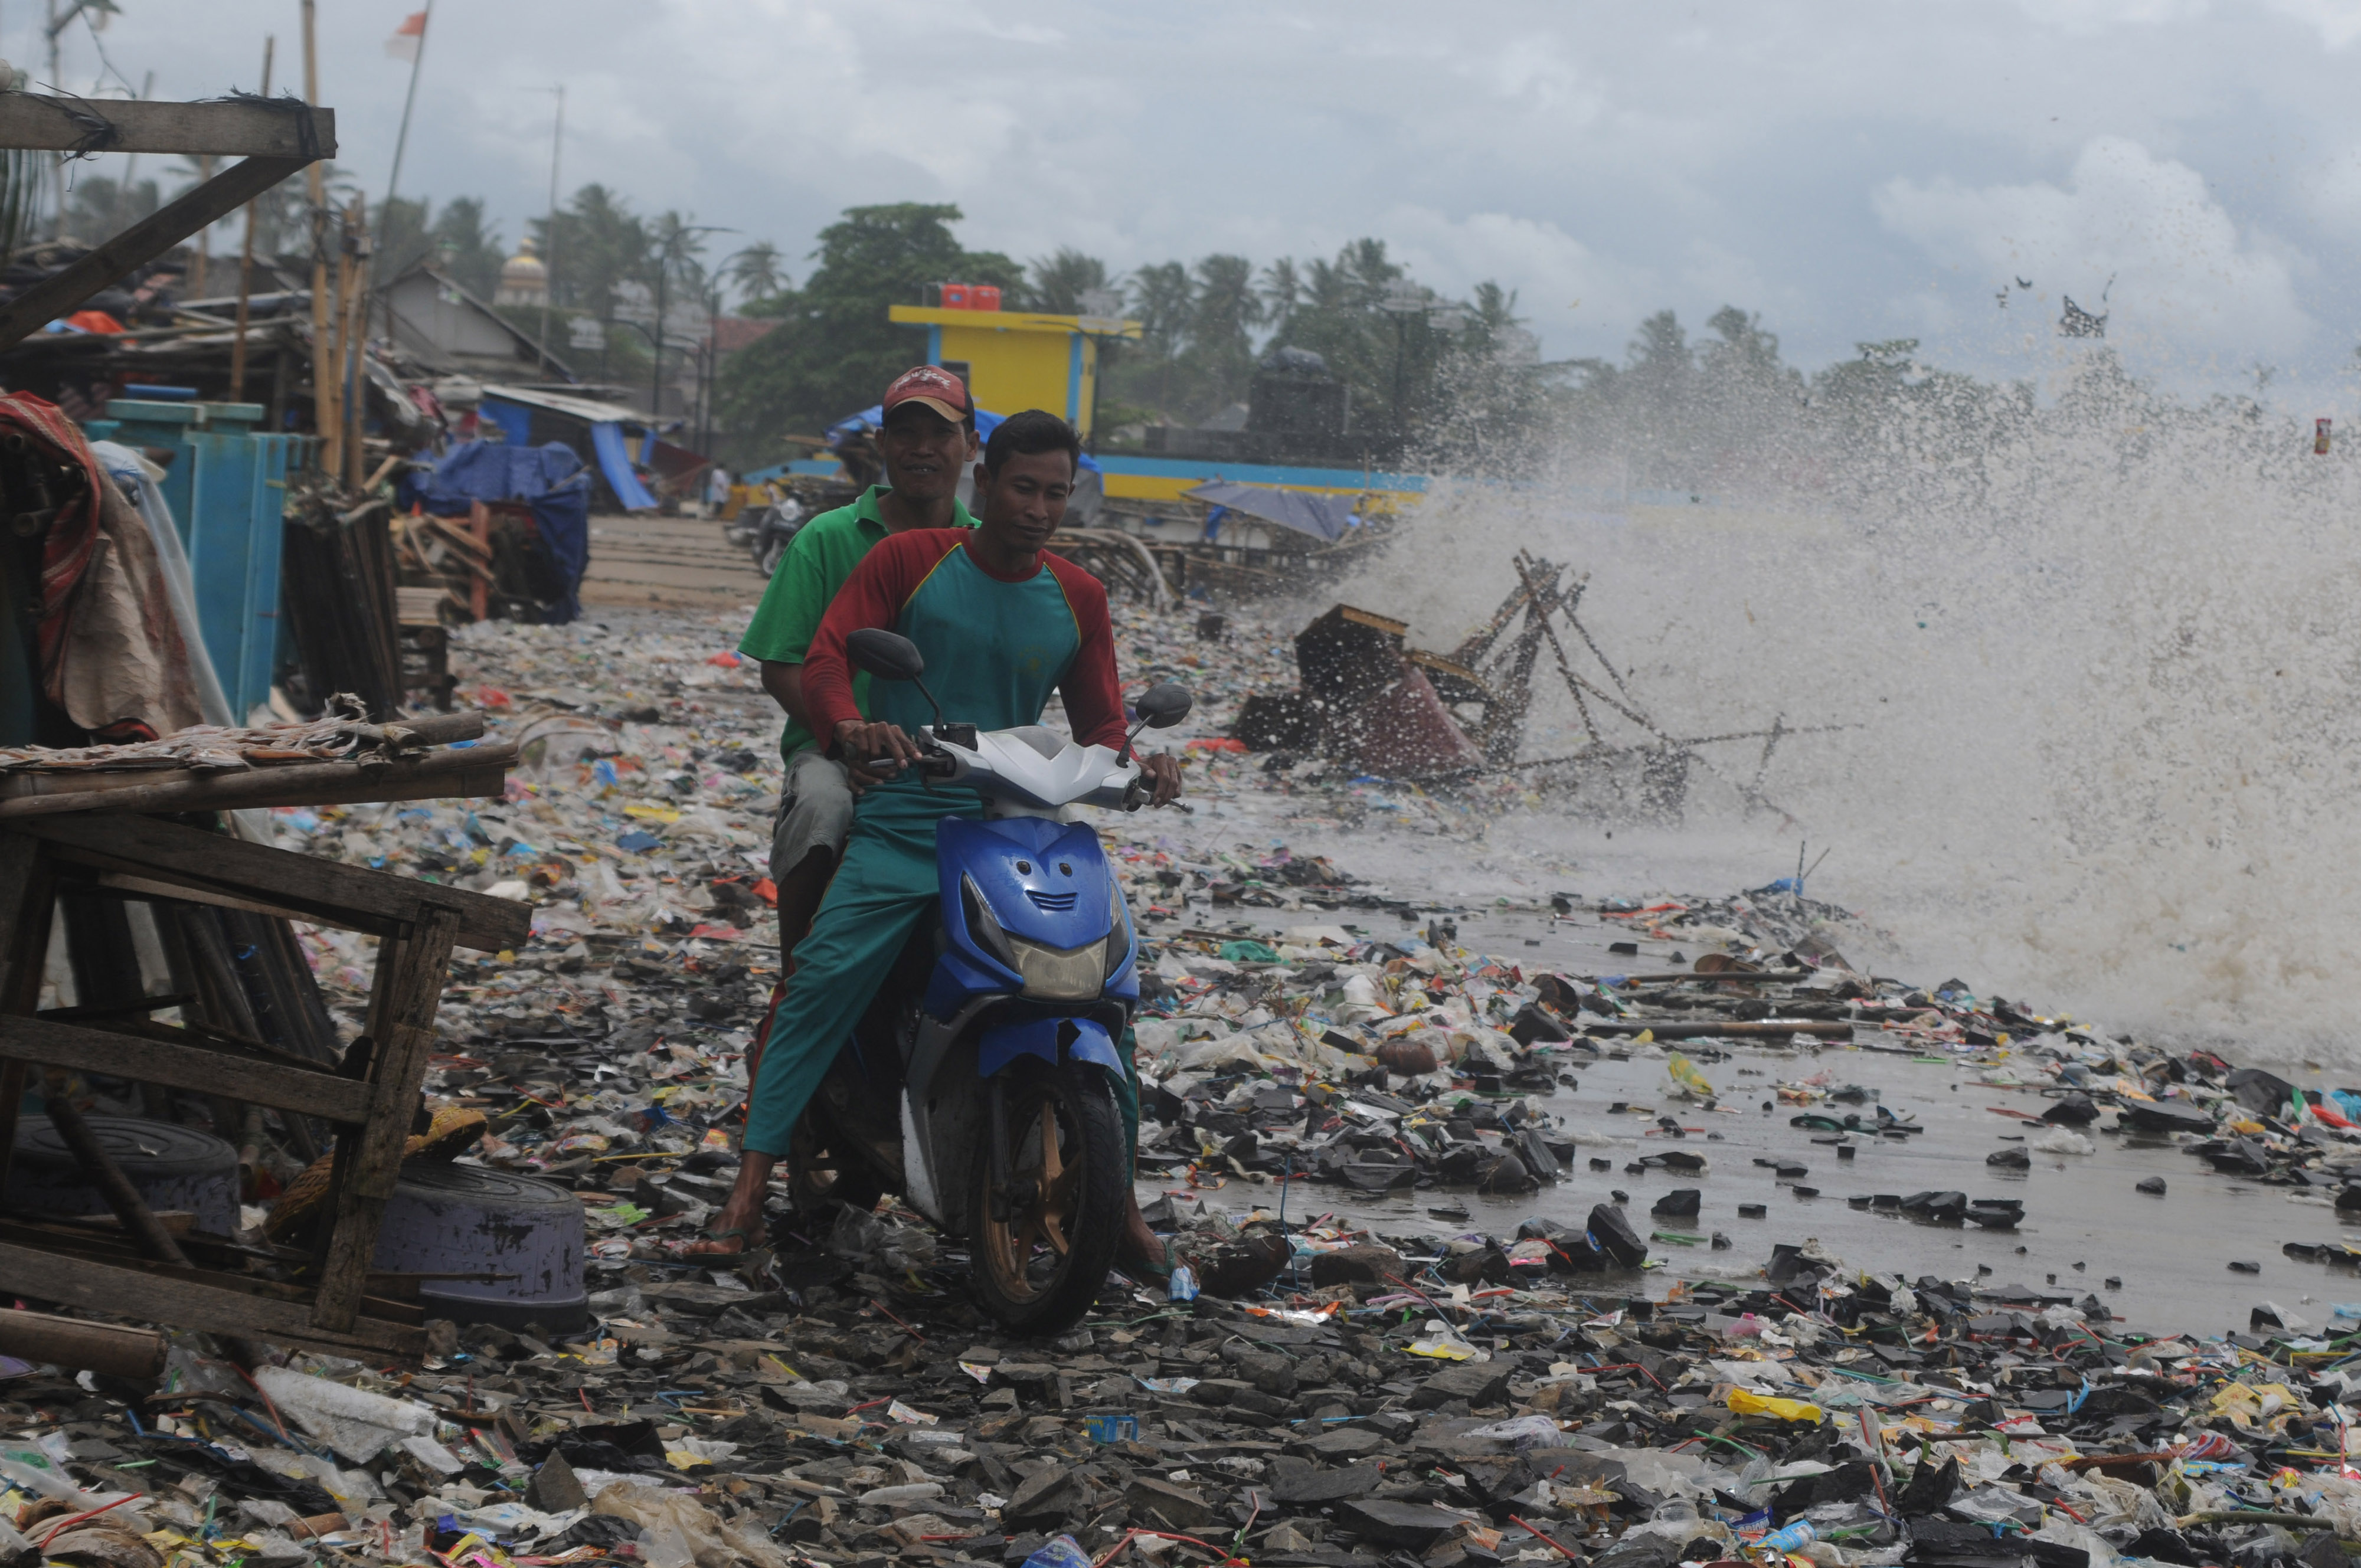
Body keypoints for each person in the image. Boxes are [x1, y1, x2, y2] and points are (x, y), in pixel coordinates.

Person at [691, 410, 1180, 1276]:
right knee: (824, 978)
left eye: (1056, 492)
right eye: (1022, 487)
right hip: (913, 815)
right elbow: (829, 657)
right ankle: (748, 1187)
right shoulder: (908, 560)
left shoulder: (1080, 594)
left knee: (1109, 993)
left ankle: (1124, 1205)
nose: (1038, 507)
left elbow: (1103, 720)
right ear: (983, 483)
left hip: (1026, 822)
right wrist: (851, 728)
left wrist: (1143, 764)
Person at [736, 365, 979, 957]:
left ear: (971, 445)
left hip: (951, 757)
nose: (922, 448)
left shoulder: (985, 548)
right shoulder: (825, 538)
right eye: (905, 432)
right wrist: (848, 739)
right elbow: (782, 664)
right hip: (834, 751)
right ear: (881, 445)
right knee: (822, 808)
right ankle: (800, 977)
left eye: (941, 433)